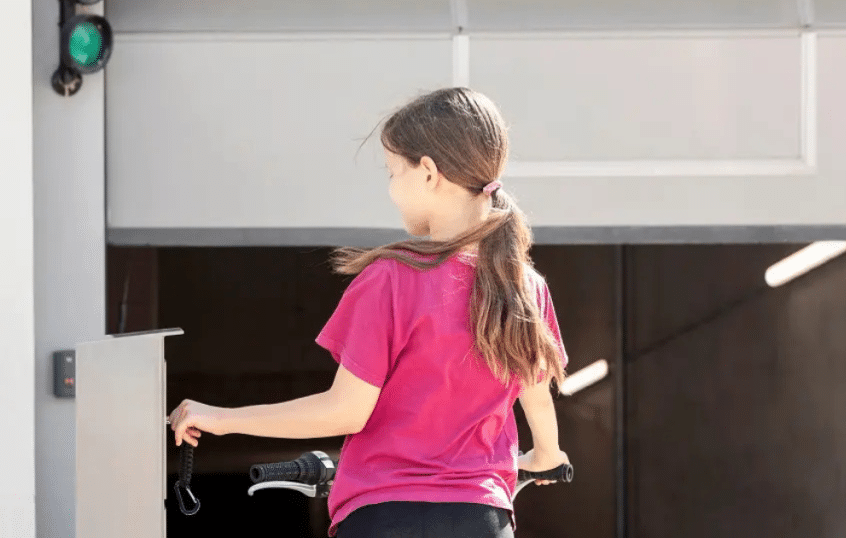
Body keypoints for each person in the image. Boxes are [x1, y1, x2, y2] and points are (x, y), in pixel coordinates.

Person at [167, 87, 572, 537]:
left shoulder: (392, 278)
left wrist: (222, 419)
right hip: (481, 520)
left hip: (384, 517)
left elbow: (345, 411)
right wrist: (545, 457)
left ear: (428, 173)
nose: (392, 188)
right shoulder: (525, 287)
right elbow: (535, 399)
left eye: (393, 171)